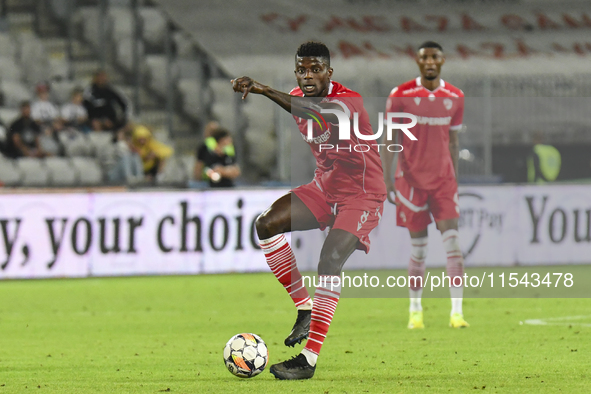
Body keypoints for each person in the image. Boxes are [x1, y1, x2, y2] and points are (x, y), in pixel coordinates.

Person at [232, 41, 386, 380]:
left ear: (329, 73)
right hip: (326, 186)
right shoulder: (297, 97)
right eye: (301, 70)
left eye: (315, 69)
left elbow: (313, 112)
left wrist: (261, 88)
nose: (308, 76)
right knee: (266, 224)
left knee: (329, 259)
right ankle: (305, 307)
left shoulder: (348, 101)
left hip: (362, 192)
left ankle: (309, 360)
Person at [384, 41, 469, 330]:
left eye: (435, 57)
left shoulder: (455, 96)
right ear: (418, 61)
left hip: (444, 181)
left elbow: (454, 141)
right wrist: (386, 179)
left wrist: (454, 179)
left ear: (443, 60)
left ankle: (456, 313)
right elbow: (390, 140)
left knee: (453, 243)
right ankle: (415, 311)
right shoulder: (400, 95)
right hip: (410, 182)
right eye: (425, 57)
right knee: (419, 249)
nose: (430, 61)